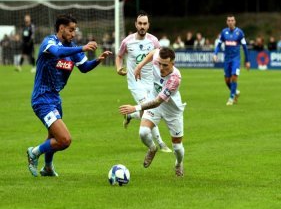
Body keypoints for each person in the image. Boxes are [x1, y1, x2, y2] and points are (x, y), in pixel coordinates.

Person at [26, 14, 112, 177]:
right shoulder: (49, 42)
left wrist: (98, 60)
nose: (74, 34)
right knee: (64, 140)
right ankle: (34, 152)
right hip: (42, 99)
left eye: (75, 30)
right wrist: (82, 48)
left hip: (55, 99)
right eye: (71, 30)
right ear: (61, 28)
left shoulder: (72, 48)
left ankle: (48, 167)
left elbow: (84, 67)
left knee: (53, 136)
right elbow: (57, 52)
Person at [119, 47, 186, 177]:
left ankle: (178, 163)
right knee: (143, 132)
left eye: (165, 65)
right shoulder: (158, 58)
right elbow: (153, 52)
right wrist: (140, 65)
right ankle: (152, 148)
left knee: (177, 147)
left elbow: (158, 101)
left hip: (171, 109)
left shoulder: (175, 79)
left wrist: (136, 107)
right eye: (159, 63)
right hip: (154, 102)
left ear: (173, 63)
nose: (161, 67)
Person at [115, 11, 171, 153]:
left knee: (146, 109)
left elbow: (160, 58)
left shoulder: (153, 41)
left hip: (151, 81)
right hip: (135, 82)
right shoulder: (127, 41)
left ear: (148, 25)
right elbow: (119, 56)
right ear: (136, 24)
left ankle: (130, 115)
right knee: (150, 109)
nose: (142, 26)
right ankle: (160, 143)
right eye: (140, 23)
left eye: (145, 24)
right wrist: (118, 67)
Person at [213, 14, 250, 105]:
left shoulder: (239, 33)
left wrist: (247, 61)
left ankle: (231, 97)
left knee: (234, 76)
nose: (230, 22)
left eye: (232, 20)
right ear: (226, 22)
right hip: (227, 60)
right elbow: (218, 45)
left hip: (236, 60)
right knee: (227, 80)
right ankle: (235, 92)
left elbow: (245, 47)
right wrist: (215, 54)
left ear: (235, 21)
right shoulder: (224, 32)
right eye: (229, 20)